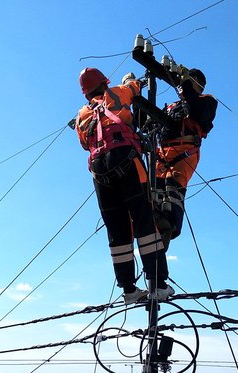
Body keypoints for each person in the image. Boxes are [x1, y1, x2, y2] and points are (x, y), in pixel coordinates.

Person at [75, 67, 174, 304]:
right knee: (144, 220)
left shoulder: (81, 115)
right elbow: (134, 88)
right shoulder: (118, 92)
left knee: (118, 231)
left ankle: (129, 290)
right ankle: (158, 284)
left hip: (99, 172)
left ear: (86, 93)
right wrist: (132, 80)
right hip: (126, 158)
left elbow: (82, 144)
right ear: (104, 83)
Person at [155, 67, 217, 248]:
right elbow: (147, 124)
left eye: (190, 80)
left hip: (185, 150)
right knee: (155, 188)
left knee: (173, 186)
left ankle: (170, 226)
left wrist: (186, 83)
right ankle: (154, 224)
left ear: (198, 83)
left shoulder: (207, 101)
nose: (183, 85)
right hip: (162, 153)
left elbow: (196, 112)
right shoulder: (172, 106)